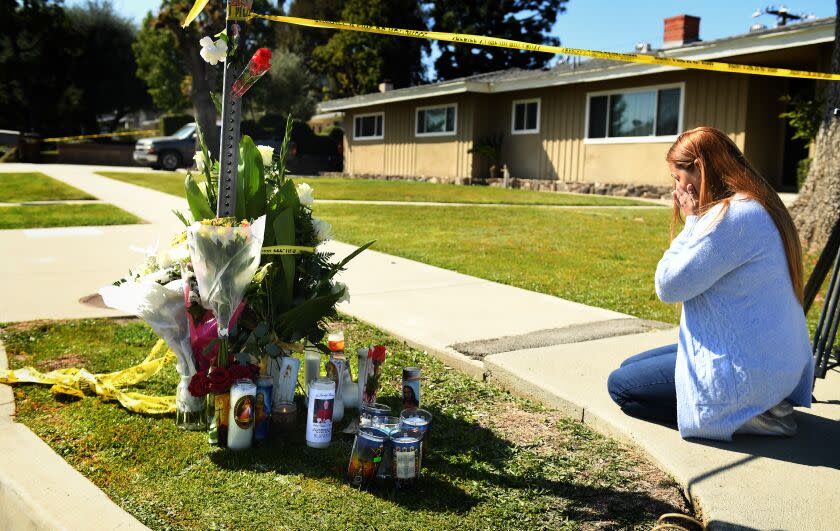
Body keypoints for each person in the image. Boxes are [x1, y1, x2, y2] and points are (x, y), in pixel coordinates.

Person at [607, 127, 814, 441]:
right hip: (771, 358)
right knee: (631, 365)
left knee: (622, 386)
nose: (677, 190)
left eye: (678, 179)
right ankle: (768, 402)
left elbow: (669, 286)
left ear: (700, 170)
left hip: (754, 371)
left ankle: (757, 413)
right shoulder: (757, 203)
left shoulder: (734, 217)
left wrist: (692, 221)